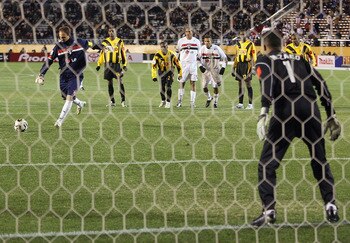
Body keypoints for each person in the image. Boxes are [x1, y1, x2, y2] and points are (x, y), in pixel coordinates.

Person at [251, 30, 341, 227]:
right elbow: (321, 84)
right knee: (320, 160)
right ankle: (331, 206)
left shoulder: (264, 60)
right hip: (310, 110)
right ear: (281, 44)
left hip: (285, 111)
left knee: (267, 164)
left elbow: (267, 83)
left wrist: (264, 112)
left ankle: (269, 210)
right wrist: (331, 114)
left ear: (265, 46)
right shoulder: (300, 58)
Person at [35, 25, 93, 128]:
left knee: (69, 97)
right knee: (65, 96)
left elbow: (92, 44)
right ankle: (80, 103)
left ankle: (60, 120)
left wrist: (103, 48)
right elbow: (50, 60)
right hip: (63, 75)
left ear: (69, 35)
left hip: (76, 75)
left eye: (63, 37)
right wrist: (42, 74)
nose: (61, 39)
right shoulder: (58, 46)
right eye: (60, 37)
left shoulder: (80, 42)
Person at [96, 27, 128, 107]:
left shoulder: (120, 41)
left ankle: (123, 101)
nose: (111, 32)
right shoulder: (105, 42)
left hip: (116, 65)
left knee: (120, 81)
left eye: (112, 31)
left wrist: (124, 64)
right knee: (109, 83)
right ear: (108, 32)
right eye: (109, 31)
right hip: (107, 66)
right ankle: (112, 101)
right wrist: (99, 64)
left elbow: (123, 53)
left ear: (115, 32)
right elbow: (102, 53)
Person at [198, 36, 227, 108]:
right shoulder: (202, 49)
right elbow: (197, 58)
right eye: (205, 41)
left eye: (208, 41)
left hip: (215, 70)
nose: (207, 43)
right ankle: (209, 97)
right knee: (204, 87)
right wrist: (200, 66)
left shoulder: (216, 48)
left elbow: (225, 58)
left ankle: (215, 103)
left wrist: (223, 67)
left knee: (215, 86)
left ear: (211, 42)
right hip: (206, 70)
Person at [175, 27, 201, 108]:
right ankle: (179, 102)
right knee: (181, 83)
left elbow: (199, 54)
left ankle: (192, 103)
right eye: (187, 31)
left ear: (192, 32)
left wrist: (200, 63)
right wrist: (175, 63)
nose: (188, 33)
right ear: (185, 32)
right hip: (183, 64)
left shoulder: (196, 41)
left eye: (189, 31)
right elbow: (177, 52)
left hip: (193, 65)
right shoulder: (181, 41)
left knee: (193, 83)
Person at [151, 41, 182, 108]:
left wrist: (180, 74)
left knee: (168, 86)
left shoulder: (172, 55)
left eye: (165, 46)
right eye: (162, 47)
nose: (163, 48)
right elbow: (154, 66)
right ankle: (163, 101)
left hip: (169, 72)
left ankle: (168, 102)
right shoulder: (157, 55)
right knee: (162, 88)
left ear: (167, 47)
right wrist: (154, 76)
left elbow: (178, 65)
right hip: (161, 73)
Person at [232, 31, 257, 110]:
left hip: (247, 65)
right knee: (240, 84)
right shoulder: (238, 44)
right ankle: (240, 104)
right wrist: (234, 67)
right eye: (241, 34)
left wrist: (254, 67)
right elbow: (236, 56)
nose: (242, 36)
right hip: (239, 65)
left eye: (244, 34)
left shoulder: (250, 44)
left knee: (248, 84)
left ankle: (250, 104)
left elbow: (254, 55)